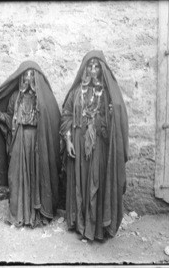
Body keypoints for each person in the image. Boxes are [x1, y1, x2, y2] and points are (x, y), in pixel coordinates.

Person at [0, 61, 61, 227]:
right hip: (19, 140)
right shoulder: (15, 97)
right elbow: (11, 120)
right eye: (25, 76)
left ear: (36, 79)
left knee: (37, 175)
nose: (28, 80)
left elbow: (50, 122)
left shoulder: (43, 100)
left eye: (32, 77)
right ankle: (18, 214)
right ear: (21, 78)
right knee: (16, 174)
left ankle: (35, 215)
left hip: (37, 142)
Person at [60, 50, 129, 241]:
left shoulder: (107, 94)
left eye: (96, 66)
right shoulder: (75, 93)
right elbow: (66, 116)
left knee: (96, 183)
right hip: (79, 144)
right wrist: (68, 141)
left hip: (98, 145)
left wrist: (110, 115)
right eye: (89, 66)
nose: (92, 70)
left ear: (101, 69)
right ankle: (80, 225)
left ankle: (97, 228)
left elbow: (115, 122)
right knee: (80, 183)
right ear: (84, 68)